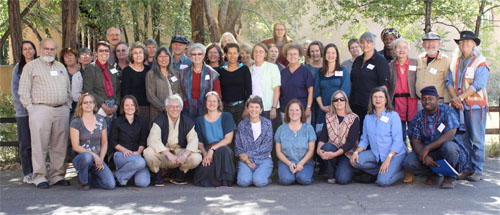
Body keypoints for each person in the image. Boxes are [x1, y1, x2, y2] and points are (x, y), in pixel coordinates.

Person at [19, 38, 72, 189]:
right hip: (40, 109)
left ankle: (57, 176)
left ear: (55, 51)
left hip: (61, 109)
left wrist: (67, 105)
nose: (49, 51)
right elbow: (23, 91)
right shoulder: (31, 67)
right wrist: (31, 108)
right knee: (39, 145)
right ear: (40, 49)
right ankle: (40, 176)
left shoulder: (61, 66)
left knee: (60, 145)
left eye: (52, 49)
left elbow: (68, 89)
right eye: (46, 49)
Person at [403, 86, 467, 189]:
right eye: (424, 99)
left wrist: (427, 148)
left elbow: (450, 134)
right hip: (429, 154)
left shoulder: (447, 111)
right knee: (408, 163)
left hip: (445, 151)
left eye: (430, 98)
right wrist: (423, 155)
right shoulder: (418, 117)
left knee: (449, 147)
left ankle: (449, 177)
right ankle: (433, 174)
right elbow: (415, 141)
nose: (427, 101)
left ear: (437, 99)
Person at [446, 31, 489, 182]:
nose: (464, 44)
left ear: (474, 44)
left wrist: (460, 98)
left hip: (475, 106)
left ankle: (477, 170)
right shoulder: (455, 61)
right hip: (459, 106)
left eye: (468, 42)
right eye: (462, 42)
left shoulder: (480, 62)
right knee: (462, 139)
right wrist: (455, 99)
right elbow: (449, 82)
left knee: (476, 139)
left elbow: (479, 84)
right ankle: (466, 168)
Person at [350, 87, 407, 187]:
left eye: (381, 97)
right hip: (376, 153)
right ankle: (381, 171)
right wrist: (356, 152)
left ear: (386, 99)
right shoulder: (368, 117)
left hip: (394, 154)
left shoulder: (393, 116)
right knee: (355, 161)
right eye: (375, 97)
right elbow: (364, 139)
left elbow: (398, 141)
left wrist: (388, 159)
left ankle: (402, 172)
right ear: (371, 100)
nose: (378, 99)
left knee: (382, 182)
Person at [143, 94, 202, 186]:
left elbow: (193, 141)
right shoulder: (159, 120)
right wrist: (168, 154)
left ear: (181, 108)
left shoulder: (188, 121)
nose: (175, 109)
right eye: (172, 107)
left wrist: (185, 156)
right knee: (148, 152)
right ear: (166, 108)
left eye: (177, 106)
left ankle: (180, 172)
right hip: (163, 154)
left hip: (179, 155)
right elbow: (153, 140)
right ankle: (157, 173)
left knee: (196, 157)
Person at [70, 93, 115, 190]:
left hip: (98, 160)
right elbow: (75, 146)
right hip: (82, 158)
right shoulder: (76, 122)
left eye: (90, 102)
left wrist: (101, 159)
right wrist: (94, 156)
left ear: (95, 104)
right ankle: (84, 181)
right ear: (81, 105)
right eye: (85, 102)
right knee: (87, 157)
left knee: (110, 185)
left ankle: (91, 178)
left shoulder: (101, 120)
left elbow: (104, 143)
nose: (88, 104)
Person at [193, 91, 236, 186]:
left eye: (214, 101)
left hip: (223, 150)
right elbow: (199, 142)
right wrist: (205, 154)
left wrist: (212, 150)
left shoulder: (226, 116)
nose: (212, 103)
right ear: (205, 103)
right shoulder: (199, 120)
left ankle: (225, 181)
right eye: (209, 101)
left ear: (218, 103)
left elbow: (228, 139)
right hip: (207, 150)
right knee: (203, 176)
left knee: (223, 151)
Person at [317, 90, 360, 184]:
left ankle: (340, 169)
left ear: (346, 101)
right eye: (336, 100)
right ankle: (331, 174)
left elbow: (350, 143)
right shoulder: (328, 116)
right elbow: (323, 137)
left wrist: (335, 154)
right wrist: (318, 150)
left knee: (342, 180)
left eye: (342, 99)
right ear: (333, 103)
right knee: (326, 147)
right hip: (332, 149)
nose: (339, 102)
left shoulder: (354, 118)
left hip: (347, 154)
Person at [350, 32, 390, 127]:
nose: (365, 45)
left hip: (371, 105)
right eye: (362, 42)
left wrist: (379, 104)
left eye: (368, 42)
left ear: (373, 44)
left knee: (370, 131)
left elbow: (384, 85)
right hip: (355, 104)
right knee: (358, 132)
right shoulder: (358, 60)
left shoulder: (380, 61)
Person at [11, 40, 37, 184]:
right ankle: (28, 172)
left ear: (34, 50)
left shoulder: (40, 66)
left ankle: (39, 170)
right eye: (25, 49)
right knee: (25, 142)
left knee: (38, 143)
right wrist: (27, 105)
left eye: (30, 48)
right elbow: (15, 91)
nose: (28, 51)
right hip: (23, 112)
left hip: (39, 110)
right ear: (22, 52)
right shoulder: (18, 69)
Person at [110, 95, 150, 187]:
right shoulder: (117, 121)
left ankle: (125, 176)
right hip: (121, 155)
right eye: (127, 105)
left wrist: (139, 152)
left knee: (143, 183)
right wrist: (124, 150)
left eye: (132, 105)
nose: (130, 107)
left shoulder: (142, 121)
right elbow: (113, 141)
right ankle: (119, 176)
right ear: (123, 107)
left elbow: (143, 140)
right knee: (140, 163)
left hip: (137, 155)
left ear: (135, 107)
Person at [274, 99, 316, 185]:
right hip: (286, 162)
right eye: (291, 110)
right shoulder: (281, 129)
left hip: (305, 162)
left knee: (303, 179)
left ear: (301, 112)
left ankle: (302, 175)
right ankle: (290, 175)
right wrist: (289, 164)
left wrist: (301, 163)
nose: (294, 113)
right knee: (286, 180)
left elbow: (311, 151)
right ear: (287, 112)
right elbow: (278, 152)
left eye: (297, 110)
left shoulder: (309, 128)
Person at [235, 96, 274, 187]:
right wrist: (247, 161)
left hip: (264, 159)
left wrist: (247, 154)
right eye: (251, 107)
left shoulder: (267, 124)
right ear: (247, 109)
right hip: (246, 160)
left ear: (261, 110)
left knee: (259, 182)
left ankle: (264, 177)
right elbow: (238, 146)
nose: (254, 110)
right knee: (243, 182)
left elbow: (267, 147)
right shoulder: (242, 124)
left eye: (256, 107)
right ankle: (253, 176)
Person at [83, 41, 121, 130]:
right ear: (96, 53)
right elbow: (88, 90)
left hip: (113, 108)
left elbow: (118, 89)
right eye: (101, 51)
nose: (104, 53)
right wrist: (104, 106)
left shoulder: (112, 69)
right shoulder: (90, 68)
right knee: (100, 136)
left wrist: (116, 105)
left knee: (112, 135)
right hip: (98, 108)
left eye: (106, 51)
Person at [314, 43, 351, 134]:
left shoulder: (343, 70)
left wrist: (335, 106)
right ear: (324, 55)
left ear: (337, 55)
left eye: (333, 53)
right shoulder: (320, 72)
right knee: (322, 136)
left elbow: (345, 90)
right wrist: (322, 107)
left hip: (339, 109)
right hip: (323, 110)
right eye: (328, 53)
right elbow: (316, 91)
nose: (330, 55)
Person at [180, 43, 222, 119]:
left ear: (203, 55)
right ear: (190, 55)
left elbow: (217, 94)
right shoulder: (183, 73)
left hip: (206, 109)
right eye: (194, 54)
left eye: (199, 54)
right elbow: (179, 91)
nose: (197, 57)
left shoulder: (212, 73)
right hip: (187, 108)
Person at [388, 38, 418, 143]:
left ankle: (415, 154)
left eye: (404, 48)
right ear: (395, 50)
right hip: (397, 102)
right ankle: (401, 154)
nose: (402, 50)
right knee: (399, 132)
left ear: (408, 50)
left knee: (413, 131)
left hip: (412, 100)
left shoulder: (416, 63)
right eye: (399, 47)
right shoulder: (390, 65)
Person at [218, 43, 252, 125]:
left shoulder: (244, 69)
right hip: (225, 108)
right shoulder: (221, 70)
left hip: (240, 107)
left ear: (238, 54)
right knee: (228, 133)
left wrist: (246, 109)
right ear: (225, 54)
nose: (232, 56)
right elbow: (220, 91)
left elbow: (249, 91)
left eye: (235, 53)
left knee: (239, 133)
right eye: (230, 53)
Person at [279, 43, 314, 123]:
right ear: (286, 56)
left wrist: (308, 108)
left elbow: (310, 91)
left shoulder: (305, 71)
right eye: (290, 54)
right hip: (285, 110)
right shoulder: (283, 73)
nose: (292, 56)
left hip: (302, 110)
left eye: (295, 54)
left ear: (299, 56)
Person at [146, 46, 182, 123]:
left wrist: (177, 107)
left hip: (175, 112)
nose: (163, 59)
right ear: (156, 59)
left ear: (169, 58)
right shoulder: (151, 74)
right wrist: (164, 108)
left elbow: (180, 91)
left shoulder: (176, 73)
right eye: (161, 56)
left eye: (166, 56)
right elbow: (150, 96)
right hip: (158, 113)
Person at [416, 32, 451, 108]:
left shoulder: (446, 60)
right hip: (421, 102)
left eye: (433, 42)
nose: (430, 44)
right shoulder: (419, 58)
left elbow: (448, 82)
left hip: (438, 102)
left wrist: (446, 102)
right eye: (427, 42)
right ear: (423, 45)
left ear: (439, 44)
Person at [249, 43, 281, 126]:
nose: (258, 54)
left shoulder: (272, 68)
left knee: (270, 134)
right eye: (255, 51)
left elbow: (277, 90)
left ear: (265, 54)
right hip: (254, 109)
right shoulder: (249, 70)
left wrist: (273, 108)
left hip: (268, 108)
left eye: (261, 51)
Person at [121, 42, 151, 121]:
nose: (138, 55)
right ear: (131, 56)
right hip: (131, 108)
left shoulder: (149, 70)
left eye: (140, 52)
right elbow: (125, 92)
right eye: (135, 53)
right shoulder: (127, 71)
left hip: (146, 107)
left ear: (144, 54)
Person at [60, 48, 81, 112]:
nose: (69, 58)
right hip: (67, 104)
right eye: (66, 56)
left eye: (71, 55)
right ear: (64, 60)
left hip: (82, 102)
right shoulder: (61, 72)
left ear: (76, 57)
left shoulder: (83, 70)